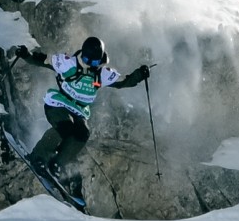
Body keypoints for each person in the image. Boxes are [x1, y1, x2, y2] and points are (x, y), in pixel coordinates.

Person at [14, 36, 150, 185]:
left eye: (95, 62)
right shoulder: (68, 64)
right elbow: (43, 60)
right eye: (87, 60)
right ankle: (39, 156)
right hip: (58, 103)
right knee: (66, 127)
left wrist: (139, 75)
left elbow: (123, 81)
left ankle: (57, 163)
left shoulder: (101, 74)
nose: (91, 65)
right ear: (82, 56)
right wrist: (26, 55)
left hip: (78, 110)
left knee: (82, 134)